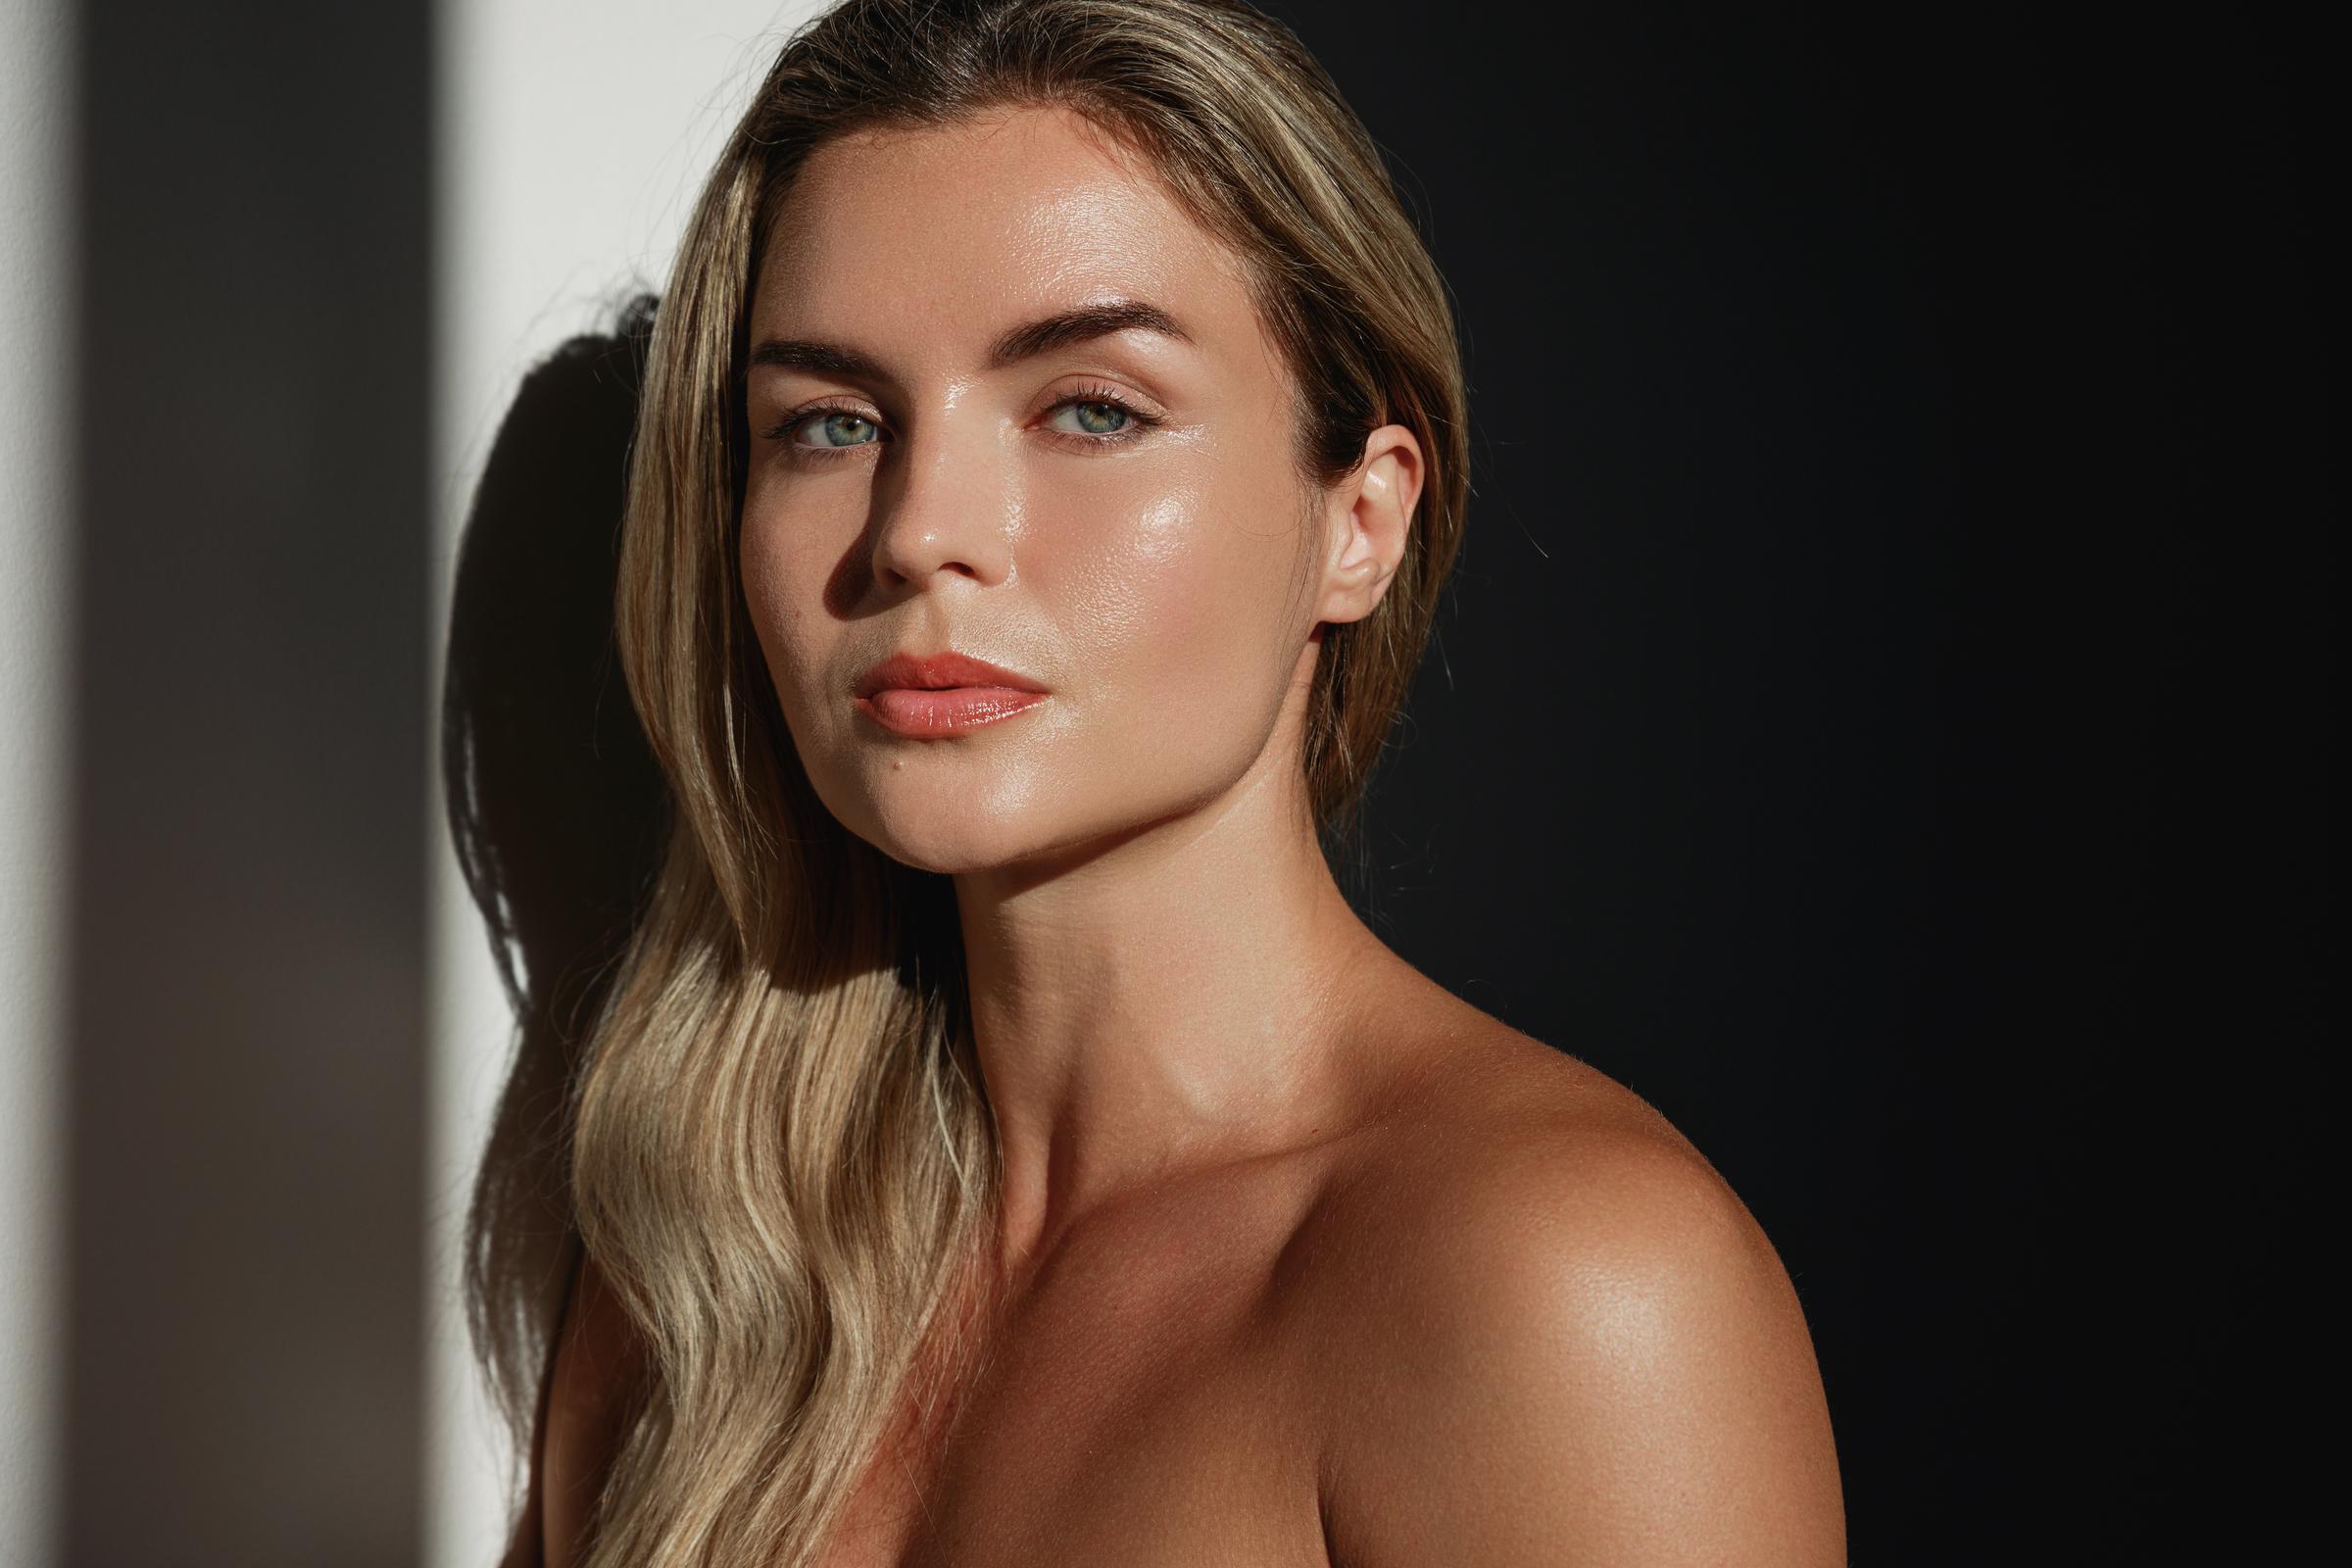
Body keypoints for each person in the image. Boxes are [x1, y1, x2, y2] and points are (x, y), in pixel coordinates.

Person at [455, 2, 1847, 1563]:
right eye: (831, 423)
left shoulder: (1560, 1289)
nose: (920, 528)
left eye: (1092, 408)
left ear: (1361, 521)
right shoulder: (701, 1278)